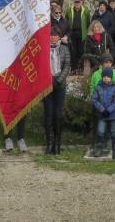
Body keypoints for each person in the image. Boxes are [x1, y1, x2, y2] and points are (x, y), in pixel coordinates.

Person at [43, 26, 70, 154]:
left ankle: (57, 144)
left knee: (58, 114)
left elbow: (67, 66)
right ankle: (49, 143)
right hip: (46, 85)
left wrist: (58, 79)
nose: (53, 37)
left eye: (55, 35)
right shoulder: (43, 49)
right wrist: (48, 79)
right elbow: (41, 65)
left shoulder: (64, 49)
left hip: (60, 84)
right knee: (49, 114)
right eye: (51, 35)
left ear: (59, 36)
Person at [90, 67, 115, 158]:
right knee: (100, 132)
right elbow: (94, 100)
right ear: (102, 77)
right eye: (104, 76)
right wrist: (102, 110)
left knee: (114, 133)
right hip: (102, 115)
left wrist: (109, 110)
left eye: (108, 76)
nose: (106, 78)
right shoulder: (98, 87)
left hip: (113, 115)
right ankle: (99, 148)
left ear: (111, 77)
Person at [67, 0, 91, 72]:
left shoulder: (86, 11)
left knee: (81, 52)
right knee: (73, 52)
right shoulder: (69, 10)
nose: (77, 4)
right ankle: (73, 69)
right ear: (74, 3)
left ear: (81, 3)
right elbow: (66, 20)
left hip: (81, 34)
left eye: (78, 2)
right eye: (76, 2)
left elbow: (88, 22)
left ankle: (80, 69)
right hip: (72, 33)